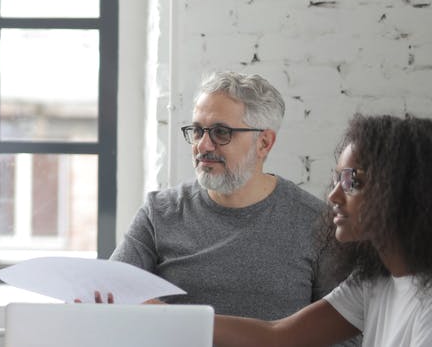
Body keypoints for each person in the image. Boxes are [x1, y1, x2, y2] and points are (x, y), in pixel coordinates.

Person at [109, 71, 347, 322]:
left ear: (264, 143)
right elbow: (109, 293)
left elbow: (346, 330)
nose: (203, 145)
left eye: (221, 132)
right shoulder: (159, 213)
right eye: (198, 131)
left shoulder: (317, 223)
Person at [213, 114, 432, 346]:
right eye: (338, 179)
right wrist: (186, 318)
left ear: (404, 193)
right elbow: (278, 335)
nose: (333, 196)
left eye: (353, 182)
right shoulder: (375, 280)